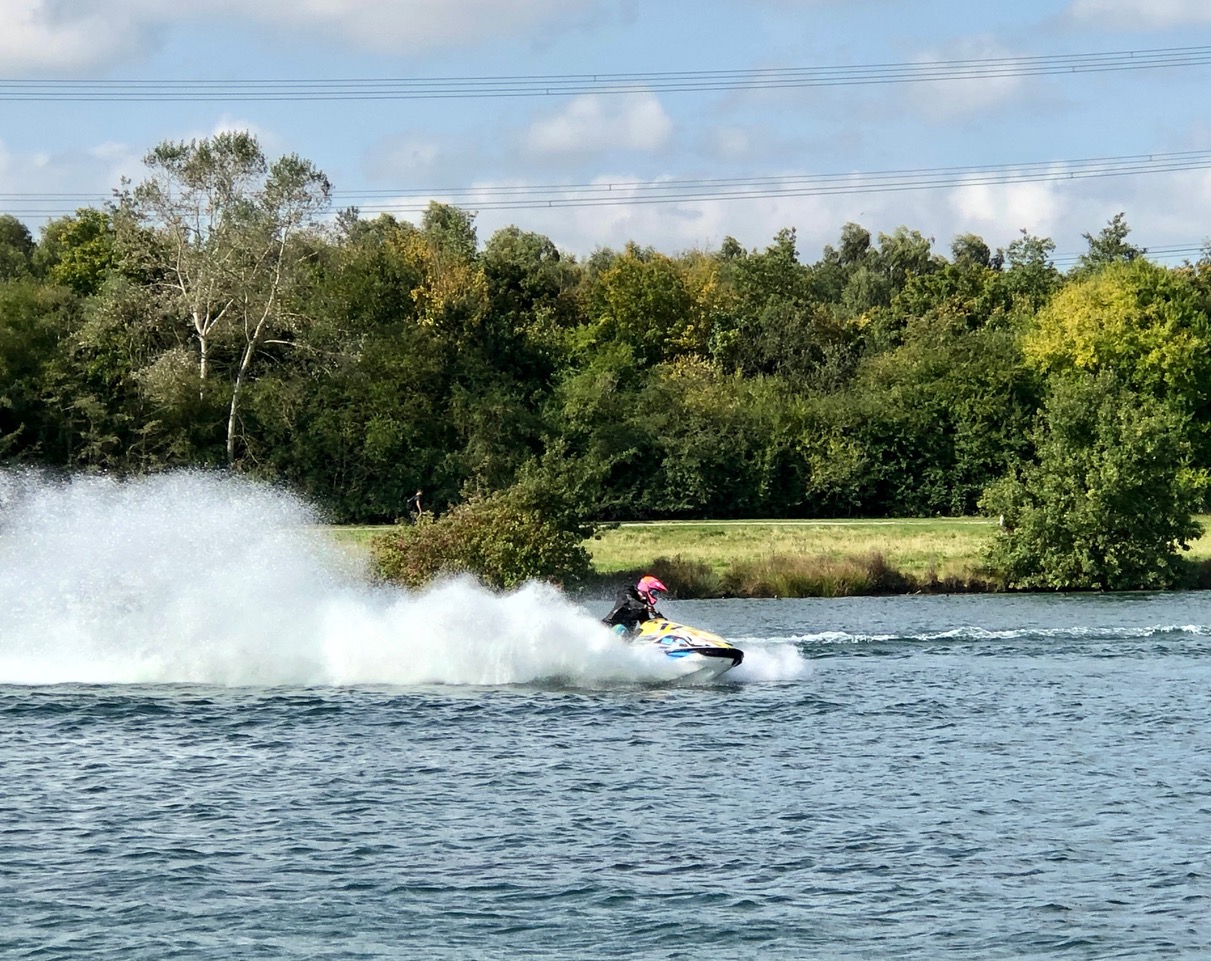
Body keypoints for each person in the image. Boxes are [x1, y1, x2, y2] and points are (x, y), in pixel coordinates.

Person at [602, 575, 668, 635]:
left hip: (627, 637)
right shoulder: (627, 592)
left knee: (640, 632)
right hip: (609, 628)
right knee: (621, 629)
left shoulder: (643, 606)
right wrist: (645, 606)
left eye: (656, 594)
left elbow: (645, 623)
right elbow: (629, 601)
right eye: (654, 592)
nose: (654, 595)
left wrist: (658, 620)